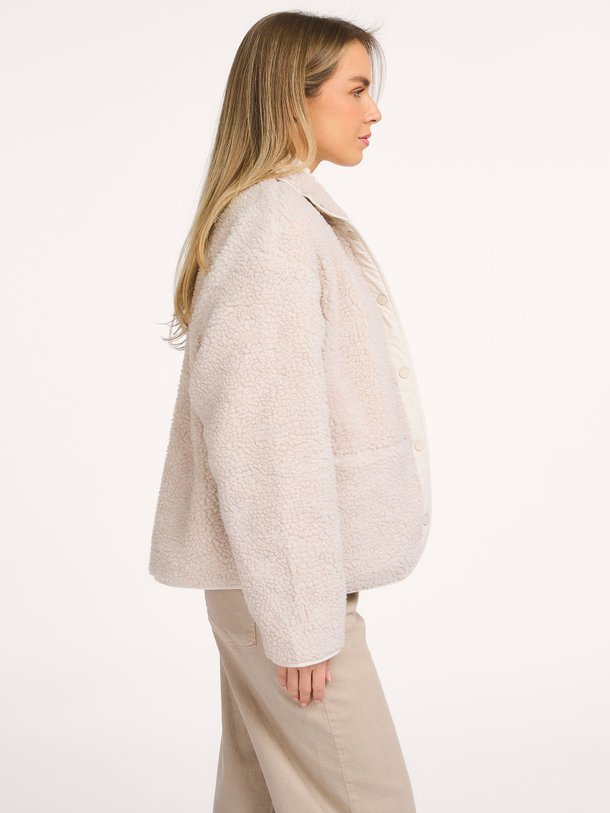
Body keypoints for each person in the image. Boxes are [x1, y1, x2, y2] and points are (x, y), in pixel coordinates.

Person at [148, 10, 432, 812]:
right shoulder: (273, 226)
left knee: (264, 797)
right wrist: (302, 621)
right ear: (293, 97)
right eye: (356, 89)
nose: (374, 111)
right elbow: (264, 436)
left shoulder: (280, 216)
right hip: (286, 587)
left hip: (276, 580)